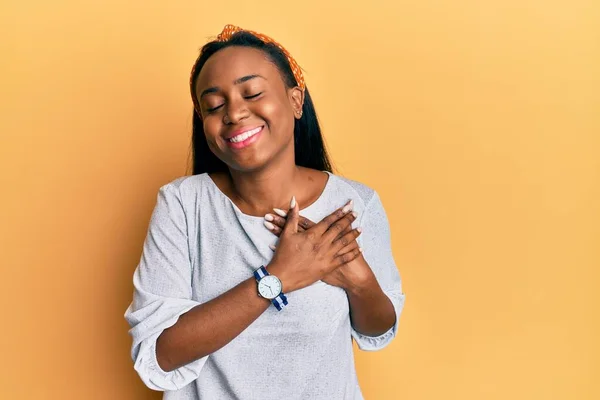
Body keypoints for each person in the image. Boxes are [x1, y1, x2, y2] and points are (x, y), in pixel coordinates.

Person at [124, 24, 406, 400]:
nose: (235, 112)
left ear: (295, 100)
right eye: (214, 106)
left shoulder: (354, 204)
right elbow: (158, 354)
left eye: (252, 92)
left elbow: (378, 330)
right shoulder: (182, 205)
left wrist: (360, 283)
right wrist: (276, 278)